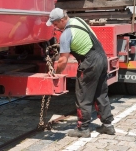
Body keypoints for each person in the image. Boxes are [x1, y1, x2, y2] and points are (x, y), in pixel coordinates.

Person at [46, 8, 115, 138]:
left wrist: (56, 74)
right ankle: (108, 126)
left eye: (55, 24)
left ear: (62, 20)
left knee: (83, 96)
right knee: (101, 93)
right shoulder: (78, 20)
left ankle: (83, 128)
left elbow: (63, 60)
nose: (55, 28)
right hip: (102, 57)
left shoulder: (66, 34)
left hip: (90, 62)